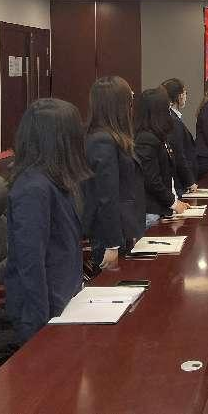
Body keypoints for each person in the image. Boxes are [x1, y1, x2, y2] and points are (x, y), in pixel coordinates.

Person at [5, 98, 91, 344]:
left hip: (67, 300)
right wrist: (43, 330)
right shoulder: (33, 188)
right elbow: (31, 263)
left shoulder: (56, 181)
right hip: (45, 317)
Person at [82, 76, 144, 271]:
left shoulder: (114, 137)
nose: (132, 104)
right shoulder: (102, 140)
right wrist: (112, 244)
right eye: (129, 98)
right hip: (109, 236)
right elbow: (106, 196)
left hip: (122, 229)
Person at [134, 88, 189, 227]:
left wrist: (176, 202)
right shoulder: (145, 139)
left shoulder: (158, 135)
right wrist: (173, 203)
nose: (169, 110)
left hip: (162, 209)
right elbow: (152, 180)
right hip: (152, 213)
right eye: (167, 107)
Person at [161, 78, 198, 198]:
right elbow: (178, 153)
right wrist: (190, 181)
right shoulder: (173, 120)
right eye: (185, 93)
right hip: (180, 183)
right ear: (179, 96)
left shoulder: (172, 117)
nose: (186, 96)